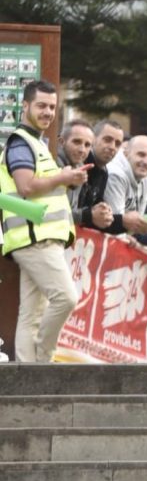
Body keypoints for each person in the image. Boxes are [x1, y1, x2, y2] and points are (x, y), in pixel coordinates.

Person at [0, 80, 86, 361]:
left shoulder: (34, 144)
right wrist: (63, 177)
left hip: (35, 238)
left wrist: (66, 179)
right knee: (66, 298)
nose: (48, 112)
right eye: (41, 106)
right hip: (34, 238)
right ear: (25, 106)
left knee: (32, 313)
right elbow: (26, 186)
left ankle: (28, 373)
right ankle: (43, 359)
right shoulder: (21, 143)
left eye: (52, 106)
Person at [55, 119, 111, 228]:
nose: (82, 149)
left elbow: (71, 212)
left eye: (87, 145)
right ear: (61, 142)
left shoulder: (81, 167)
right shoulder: (52, 163)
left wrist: (99, 210)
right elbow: (52, 215)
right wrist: (89, 215)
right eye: (77, 142)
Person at [103, 135, 147, 234]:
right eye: (141, 155)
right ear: (126, 154)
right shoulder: (115, 174)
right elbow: (116, 225)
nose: (146, 161)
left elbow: (137, 223)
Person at [76, 119, 123, 230]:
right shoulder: (78, 163)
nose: (112, 147)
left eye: (117, 144)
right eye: (107, 140)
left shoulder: (104, 172)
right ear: (93, 139)